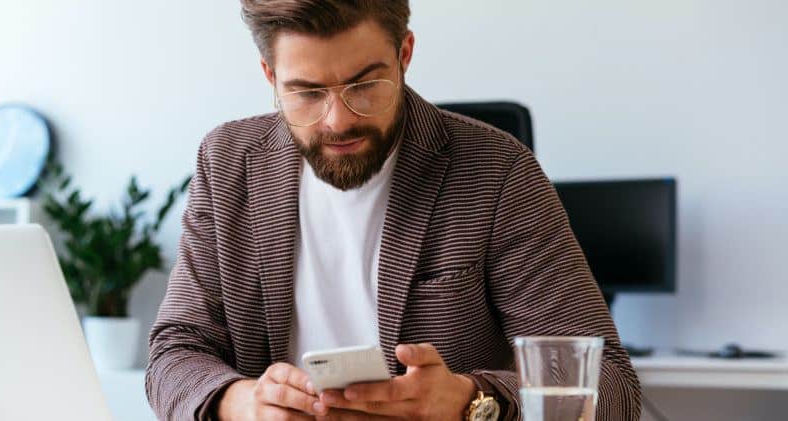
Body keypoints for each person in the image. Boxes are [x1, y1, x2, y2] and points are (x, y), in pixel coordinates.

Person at [146, 1, 641, 420]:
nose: (337, 120)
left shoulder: (496, 171)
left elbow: (612, 387)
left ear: (403, 54)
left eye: (364, 86)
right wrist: (244, 404)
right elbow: (175, 353)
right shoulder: (229, 161)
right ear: (270, 75)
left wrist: (471, 400)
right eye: (307, 93)